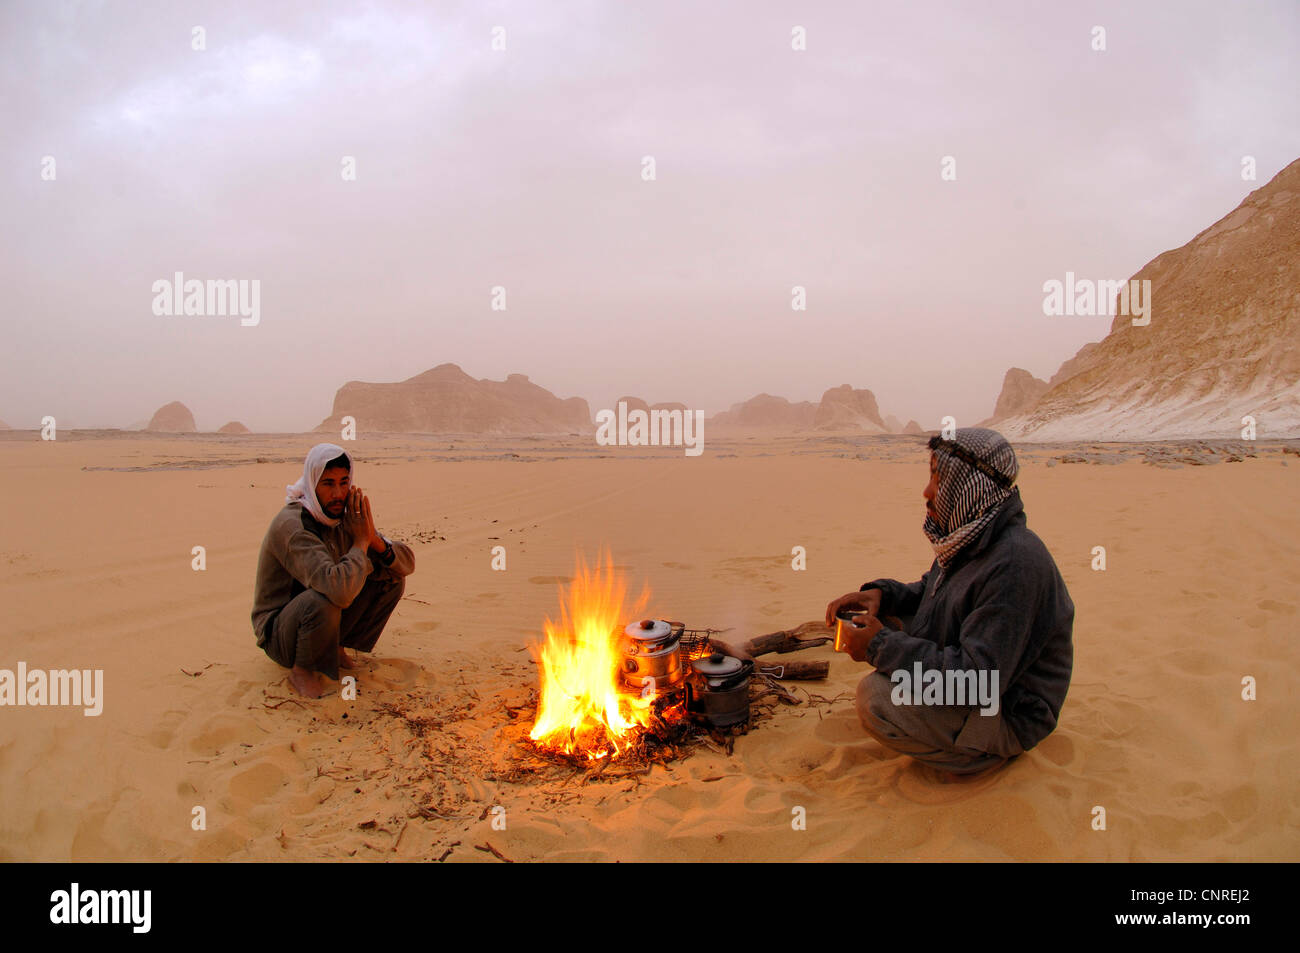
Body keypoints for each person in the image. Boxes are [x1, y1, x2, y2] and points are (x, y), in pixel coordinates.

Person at [824, 428, 1073, 777]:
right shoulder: (970, 536)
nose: (926, 492)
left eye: (938, 478)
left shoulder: (1015, 564)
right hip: (984, 679)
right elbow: (934, 590)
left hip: (1009, 709)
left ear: (970, 487)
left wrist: (879, 646)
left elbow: (978, 683)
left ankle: (982, 757)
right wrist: (882, 595)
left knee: (878, 699)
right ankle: (957, 732)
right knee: (893, 622)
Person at [252, 443, 415, 697]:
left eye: (344, 482)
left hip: (321, 613)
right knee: (327, 595)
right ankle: (303, 670)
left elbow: (406, 565)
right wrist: (360, 543)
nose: (338, 493)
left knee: (390, 579)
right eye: (328, 484)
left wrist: (373, 540)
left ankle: (336, 646)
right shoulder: (294, 525)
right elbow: (337, 591)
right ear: (312, 484)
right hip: (280, 634)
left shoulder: (342, 515)